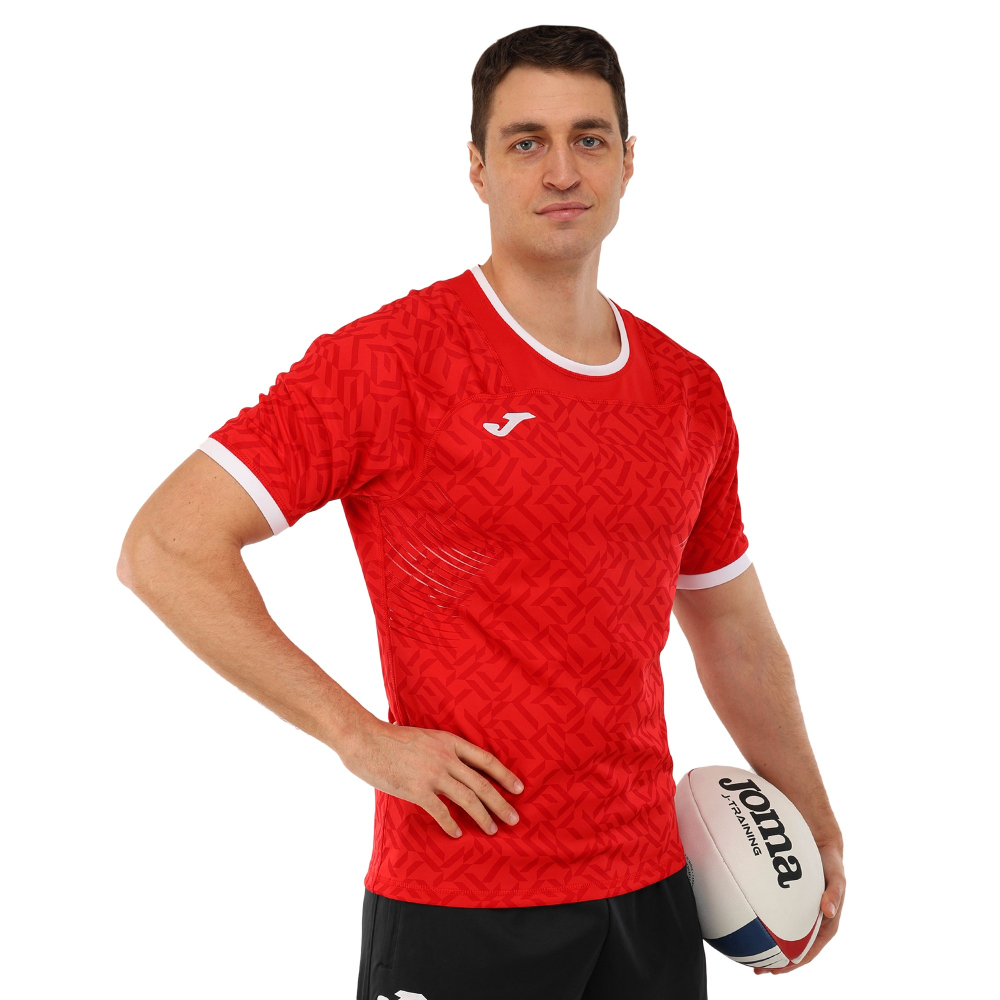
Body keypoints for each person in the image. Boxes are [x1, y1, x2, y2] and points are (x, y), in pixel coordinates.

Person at [117, 23, 845, 1000]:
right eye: (525, 141)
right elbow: (165, 546)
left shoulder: (687, 391)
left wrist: (812, 814)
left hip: (652, 891)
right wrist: (357, 735)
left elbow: (730, 628)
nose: (561, 170)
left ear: (629, 162)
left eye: (589, 138)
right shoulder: (389, 362)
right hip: (459, 894)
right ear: (477, 168)